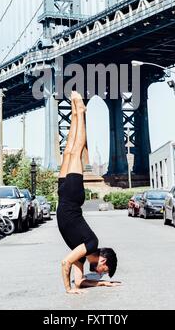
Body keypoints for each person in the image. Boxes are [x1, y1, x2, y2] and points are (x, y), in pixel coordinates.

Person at [57, 91, 121, 294]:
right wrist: (67, 290)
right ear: (103, 260)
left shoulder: (83, 256)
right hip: (72, 197)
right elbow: (64, 263)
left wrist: (99, 283)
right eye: (105, 271)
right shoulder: (92, 243)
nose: (102, 273)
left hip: (63, 196)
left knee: (68, 151)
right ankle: (81, 112)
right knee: (77, 151)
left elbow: (80, 282)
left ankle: (75, 112)